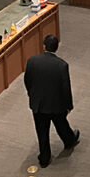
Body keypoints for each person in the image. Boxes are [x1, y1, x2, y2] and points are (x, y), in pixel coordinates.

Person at [24, 34, 79, 168]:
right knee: (61, 125)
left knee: (42, 131)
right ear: (56, 48)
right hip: (56, 104)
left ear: (43, 46)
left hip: (38, 104)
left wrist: (32, 95)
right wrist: (68, 106)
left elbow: (27, 81)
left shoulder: (32, 61)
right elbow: (66, 88)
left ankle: (44, 158)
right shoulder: (62, 65)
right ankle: (69, 141)